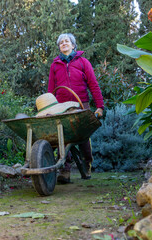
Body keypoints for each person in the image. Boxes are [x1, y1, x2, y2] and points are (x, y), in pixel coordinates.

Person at [48, 33, 104, 184]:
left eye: (67, 41)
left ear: (73, 45)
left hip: (81, 104)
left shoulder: (83, 62)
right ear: (59, 47)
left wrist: (100, 106)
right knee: (63, 137)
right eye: (61, 42)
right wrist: (50, 107)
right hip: (62, 107)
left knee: (83, 137)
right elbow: (51, 89)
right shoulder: (55, 65)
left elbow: (93, 84)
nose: (64, 43)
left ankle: (87, 164)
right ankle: (64, 170)